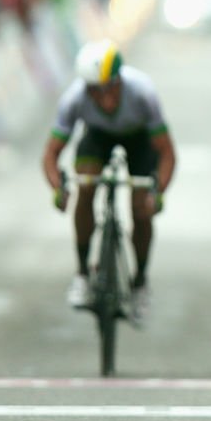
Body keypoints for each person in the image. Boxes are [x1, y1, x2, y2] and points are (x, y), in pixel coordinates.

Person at [41, 40, 176, 324]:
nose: (104, 99)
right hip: (96, 138)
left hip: (139, 140)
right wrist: (58, 188)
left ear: (119, 80)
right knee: (85, 188)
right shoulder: (74, 99)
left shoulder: (143, 93)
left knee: (141, 208)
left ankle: (139, 281)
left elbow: (166, 152)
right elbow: (51, 154)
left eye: (109, 89)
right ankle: (81, 273)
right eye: (94, 92)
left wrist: (158, 191)